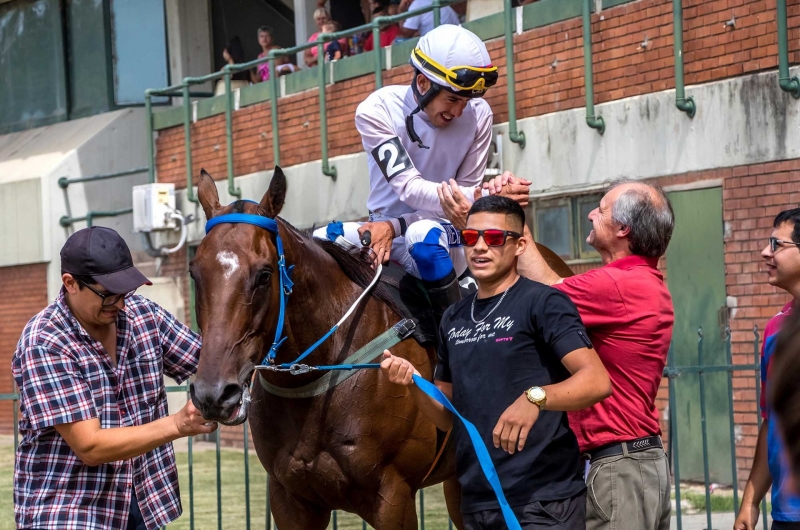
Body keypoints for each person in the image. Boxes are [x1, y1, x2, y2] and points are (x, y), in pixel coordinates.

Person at [381, 196, 612, 529]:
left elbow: (596, 380)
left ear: (519, 245)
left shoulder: (543, 302)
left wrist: (537, 398)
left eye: (493, 238)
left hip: (544, 500)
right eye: (470, 238)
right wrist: (414, 383)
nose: (479, 248)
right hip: (477, 502)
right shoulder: (454, 317)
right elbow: (447, 417)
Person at [460, 176, 675, 530]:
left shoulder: (618, 285)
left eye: (601, 210)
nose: (591, 214)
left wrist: (497, 226)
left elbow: (543, 296)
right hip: (634, 462)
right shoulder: (637, 281)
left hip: (617, 468)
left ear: (622, 228)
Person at [12, 227, 216, 530]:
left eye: (125, 293)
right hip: (70, 509)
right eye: (108, 295)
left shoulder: (145, 316)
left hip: (144, 502)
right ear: (70, 283)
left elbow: (209, 364)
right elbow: (90, 446)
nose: (120, 305)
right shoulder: (45, 341)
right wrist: (176, 424)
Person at [313, 24, 507, 328]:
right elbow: (411, 189)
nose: (459, 112)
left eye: (466, 102)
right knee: (317, 241)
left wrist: (397, 225)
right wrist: (483, 195)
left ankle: (459, 338)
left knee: (423, 238)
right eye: (453, 100)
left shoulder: (480, 114)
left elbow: (461, 202)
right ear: (421, 83)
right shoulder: (375, 110)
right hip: (380, 228)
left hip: (441, 229)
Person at [734, 208, 800, 530]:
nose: (765, 252)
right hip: (786, 514)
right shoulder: (776, 328)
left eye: (776, 244)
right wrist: (751, 500)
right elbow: (771, 420)